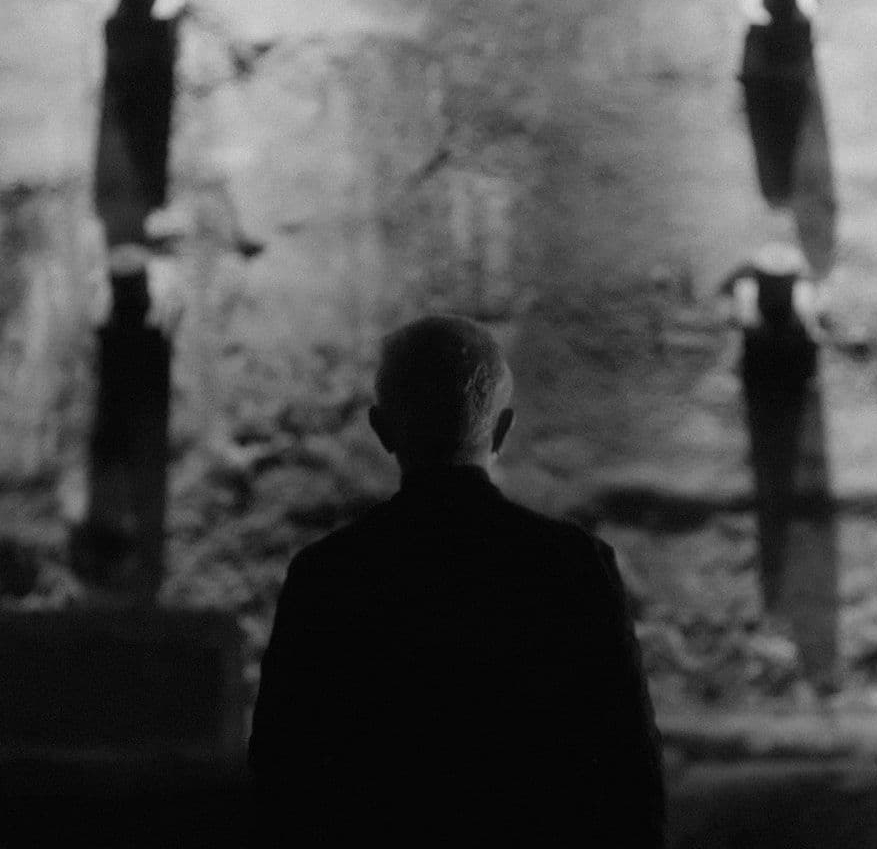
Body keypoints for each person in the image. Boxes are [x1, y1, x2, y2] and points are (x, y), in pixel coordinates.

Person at [250, 315, 665, 849]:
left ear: (382, 430)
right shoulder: (574, 568)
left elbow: (282, 778)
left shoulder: (327, 577)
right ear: (502, 429)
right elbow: (629, 776)